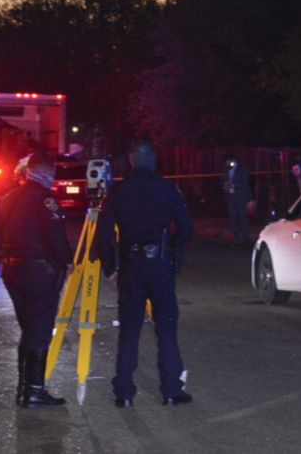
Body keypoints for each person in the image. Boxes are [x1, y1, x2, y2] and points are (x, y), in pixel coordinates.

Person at [92, 139, 193, 407]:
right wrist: (172, 250)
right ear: (154, 160)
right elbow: (186, 228)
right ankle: (171, 389)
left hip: (131, 265)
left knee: (129, 330)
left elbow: (103, 234)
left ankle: (124, 392)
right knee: (167, 328)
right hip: (159, 264)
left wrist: (110, 267)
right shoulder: (168, 189)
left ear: (132, 161)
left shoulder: (118, 192)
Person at [0, 151, 72, 407]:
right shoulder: (45, 198)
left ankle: (24, 388)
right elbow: (55, 237)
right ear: (47, 171)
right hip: (37, 272)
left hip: (11, 270)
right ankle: (34, 391)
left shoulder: (9, 197)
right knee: (40, 331)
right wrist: (67, 260)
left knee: (29, 330)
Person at [223, 155, 252, 246]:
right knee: (233, 217)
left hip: (241, 196)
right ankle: (237, 238)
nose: (228, 164)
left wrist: (233, 186)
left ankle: (247, 238)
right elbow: (225, 179)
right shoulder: (227, 169)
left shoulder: (242, 168)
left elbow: (245, 182)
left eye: (229, 162)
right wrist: (225, 185)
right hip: (231, 196)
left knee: (242, 216)